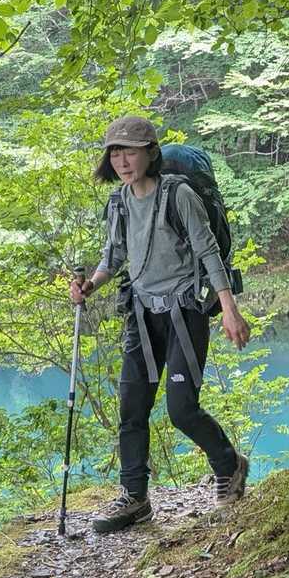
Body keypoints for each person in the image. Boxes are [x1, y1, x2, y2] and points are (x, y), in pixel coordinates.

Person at [69, 115, 252, 533]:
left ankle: (229, 464)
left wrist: (229, 309)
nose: (121, 161)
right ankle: (135, 498)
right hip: (141, 314)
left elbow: (208, 252)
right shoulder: (119, 202)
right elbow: (114, 256)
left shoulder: (178, 195)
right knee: (131, 409)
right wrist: (90, 286)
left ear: (151, 153)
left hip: (185, 312)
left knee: (182, 410)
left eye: (130, 152)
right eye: (115, 153)